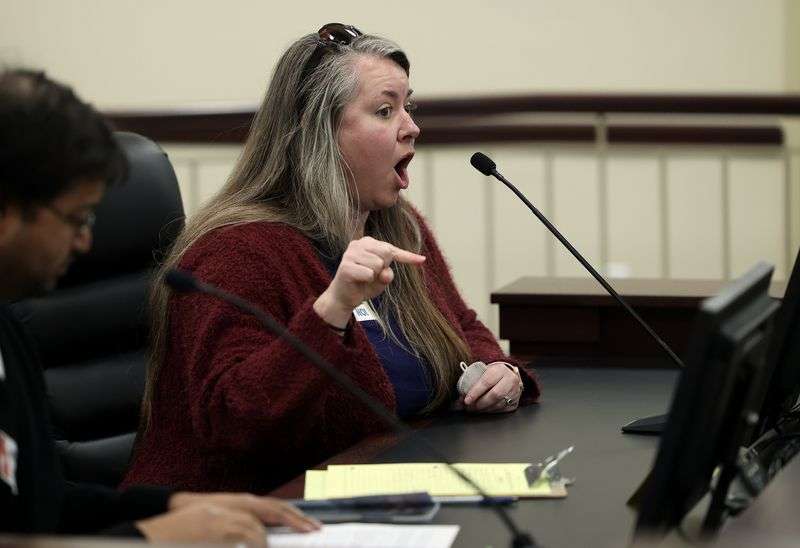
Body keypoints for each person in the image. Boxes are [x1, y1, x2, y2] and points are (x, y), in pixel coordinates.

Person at [124, 23, 541, 494]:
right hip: (238, 511)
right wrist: (331, 311)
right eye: (385, 110)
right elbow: (231, 421)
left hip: (385, 490)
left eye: (409, 107)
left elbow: (460, 325)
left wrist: (498, 371)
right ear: (316, 131)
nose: (412, 127)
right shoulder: (233, 253)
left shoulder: (398, 226)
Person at [0, 69, 319, 544]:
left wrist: (171, 505)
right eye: (77, 218)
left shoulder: (8, 329)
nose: (85, 241)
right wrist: (149, 537)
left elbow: (43, 506)